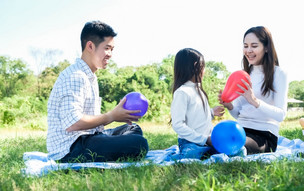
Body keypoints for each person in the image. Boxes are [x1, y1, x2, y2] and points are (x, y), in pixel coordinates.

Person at [46, 21, 148, 162]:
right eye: (107, 48)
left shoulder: (90, 76)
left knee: (134, 129)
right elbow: (73, 123)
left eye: (112, 49)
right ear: (90, 46)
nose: (110, 54)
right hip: (70, 149)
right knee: (139, 144)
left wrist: (117, 113)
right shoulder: (76, 76)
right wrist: (111, 116)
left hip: (89, 137)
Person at [219, 26, 288, 155]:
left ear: (266, 47)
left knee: (232, 146)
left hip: (264, 135)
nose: (248, 50)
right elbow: (239, 113)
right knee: (214, 139)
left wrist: (255, 101)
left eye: (254, 46)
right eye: (245, 46)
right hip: (241, 129)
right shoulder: (244, 74)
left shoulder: (279, 74)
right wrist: (229, 106)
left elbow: (281, 115)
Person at [170, 48, 225, 160]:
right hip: (190, 142)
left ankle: (207, 152)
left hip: (206, 141)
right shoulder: (182, 92)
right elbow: (178, 125)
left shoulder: (199, 90)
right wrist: (204, 139)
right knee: (191, 155)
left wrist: (211, 113)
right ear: (196, 66)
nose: (204, 71)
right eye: (203, 67)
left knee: (240, 150)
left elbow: (196, 115)